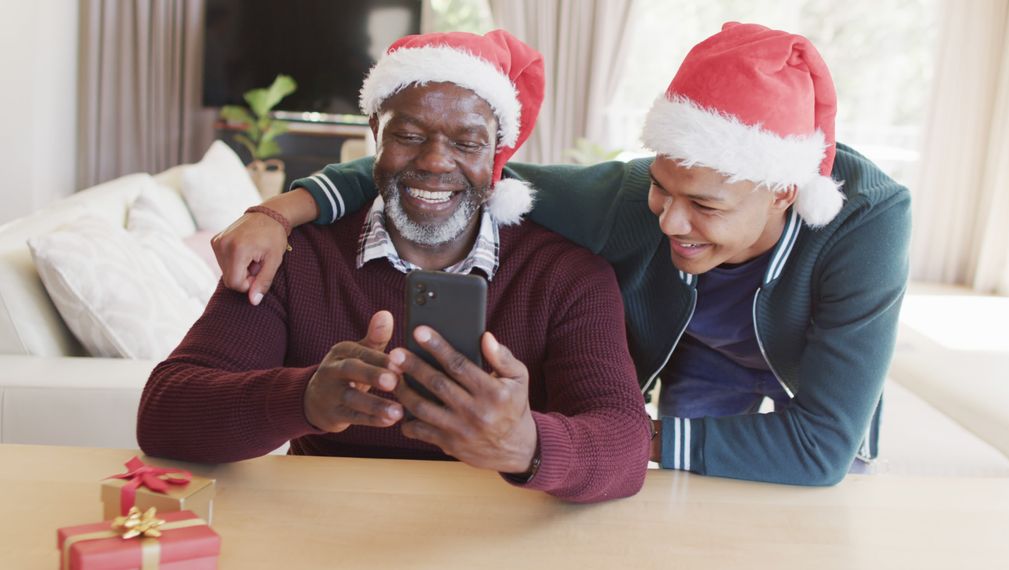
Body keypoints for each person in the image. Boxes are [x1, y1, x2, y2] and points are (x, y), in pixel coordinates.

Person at [213, 23, 911, 486]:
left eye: (704, 205)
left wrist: (565, 444)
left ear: (785, 191)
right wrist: (278, 211)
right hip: (698, 353)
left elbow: (820, 448)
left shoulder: (869, 224)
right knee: (689, 502)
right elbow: (444, 171)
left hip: (797, 360)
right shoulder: (626, 195)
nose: (669, 219)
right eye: (661, 189)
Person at [138, 30, 652, 503]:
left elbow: (627, 446)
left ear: (496, 150)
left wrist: (527, 444)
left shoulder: (566, 276)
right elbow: (164, 414)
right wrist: (304, 399)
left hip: (496, 529)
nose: (434, 161)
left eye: (466, 143)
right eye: (408, 135)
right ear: (374, 134)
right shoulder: (293, 255)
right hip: (324, 524)